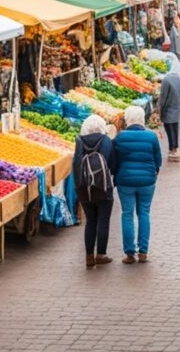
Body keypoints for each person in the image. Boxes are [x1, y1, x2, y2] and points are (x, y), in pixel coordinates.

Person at [111, 107, 162, 264]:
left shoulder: (120, 137)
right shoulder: (152, 137)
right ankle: (143, 252)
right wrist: (153, 173)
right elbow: (158, 160)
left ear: (128, 120)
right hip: (147, 181)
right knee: (144, 213)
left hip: (125, 181)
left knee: (127, 214)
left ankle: (129, 253)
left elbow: (114, 160)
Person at [73, 115, 115, 268]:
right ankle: (101, 254)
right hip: (104, 187)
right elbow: (111, 162)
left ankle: (89, 256)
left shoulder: (79, 140)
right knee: (103, 220)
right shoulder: (106, 140)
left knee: (90, 221)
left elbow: (76, 163)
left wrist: (78, 187)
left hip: (85, 189)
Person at [157, 71, 180, 161]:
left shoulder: (166, 81)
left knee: (169, 129)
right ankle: (175, 148)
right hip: (177, 108)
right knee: (174, 128)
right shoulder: (179, 79)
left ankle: (172, 149)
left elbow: (163, 98)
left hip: (169, 110)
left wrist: (160, 112)